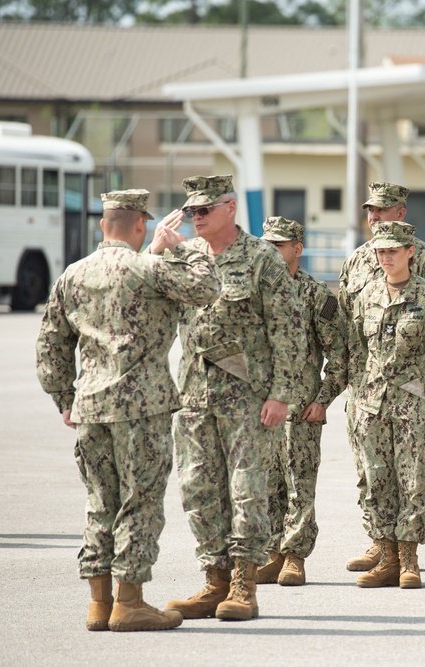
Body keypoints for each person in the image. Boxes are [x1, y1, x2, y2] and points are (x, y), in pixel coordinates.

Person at [36, 190, 220, 632]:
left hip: (92, 407)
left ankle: (98, 604)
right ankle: (130, 602)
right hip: (143, 408)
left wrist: (65, 397)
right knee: (140, 503)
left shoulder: (73, 275)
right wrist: (185, 245)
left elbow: (50, 344)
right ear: (140, 225)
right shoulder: (150, 269)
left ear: (103, 225)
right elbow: (208, 287)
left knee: (100, 503)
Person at [163, 175, 307, 622]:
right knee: (198, 488)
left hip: (248, 395)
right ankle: (214, 580)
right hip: (194, 393)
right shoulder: (184, 257)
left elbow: (289, 330)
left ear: (230, 208)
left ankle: (245, 584)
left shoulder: (262, 258)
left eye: (204, 210)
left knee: (246, 490)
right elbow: (151, 307)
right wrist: (157, 251)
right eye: (191, 212)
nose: (196, 218)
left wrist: (283, 393)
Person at [338, 181, 425, 573]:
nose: (374, 218)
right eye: (369, 211)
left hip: (416, 395)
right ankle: (383, 550)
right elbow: (352, 341)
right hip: (372, 398)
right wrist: (356, 391)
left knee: (414, 477)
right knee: (374, 476)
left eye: (393, 250)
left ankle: (407, 558)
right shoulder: (361, 276)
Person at [256, 216, 347, 587]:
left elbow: (340, 354)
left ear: (297, 249)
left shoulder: (316, 296)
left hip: (299, 410)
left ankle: (295, 557)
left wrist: (323, 400)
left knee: (298, 485)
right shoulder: (254, 291)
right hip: (260, 408)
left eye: (279, 245)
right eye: (267, 245)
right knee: (265, 485)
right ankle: (271, 553)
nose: (271, 252)